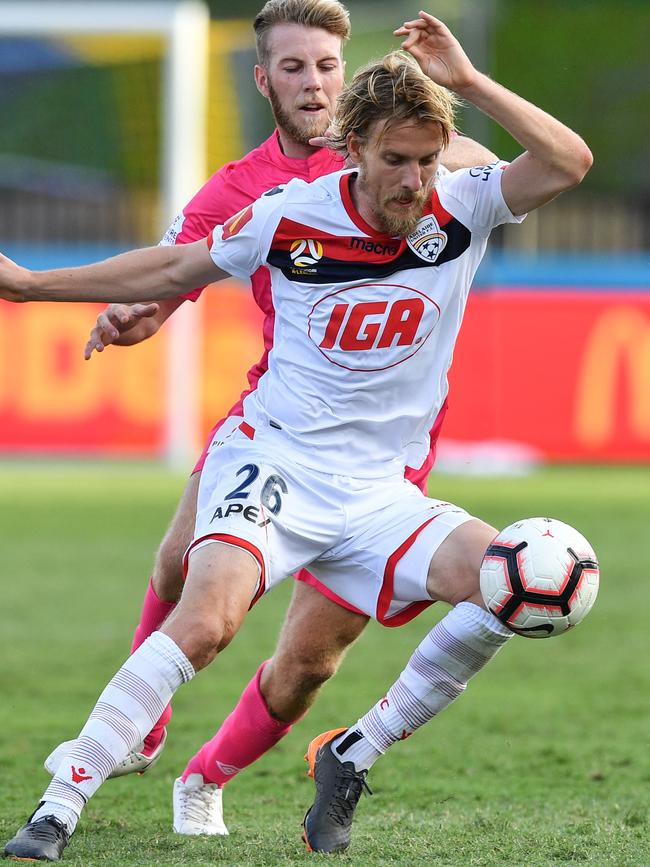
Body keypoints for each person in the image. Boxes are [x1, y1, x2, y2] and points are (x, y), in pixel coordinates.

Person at [1, 9, 592, 861]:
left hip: (382, 489)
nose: (414, 183)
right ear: (352, 152)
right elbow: (174, 266)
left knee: (509, 582)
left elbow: (569, 161)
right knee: (205, 617)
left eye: (427, 161)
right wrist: (28, 286)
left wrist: (466, 84)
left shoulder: (462, 203)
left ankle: (353, 750)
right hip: (275, 457)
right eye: (396, 162)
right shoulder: (284, 213)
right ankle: (60, 804)